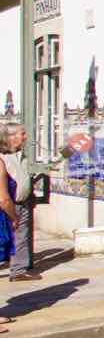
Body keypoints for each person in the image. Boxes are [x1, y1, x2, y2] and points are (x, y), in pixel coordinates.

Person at [0, 123, 38, 287]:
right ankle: (18, 270)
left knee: (21, 236)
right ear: (9, 137)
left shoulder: (20, 155)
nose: (25, 137)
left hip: (22, 201)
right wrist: (12, 215)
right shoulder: (2, 159)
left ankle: (20, 268)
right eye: (22, 133)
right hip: (9, 205)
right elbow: (3, 196)